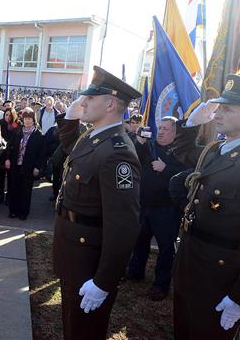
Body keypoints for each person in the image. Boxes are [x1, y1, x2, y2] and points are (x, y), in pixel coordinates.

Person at [169, 74, 240, 339]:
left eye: (227, 109)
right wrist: (191, 123)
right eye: (219, 107)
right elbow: (182, 151)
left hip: (220, 280)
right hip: (190, 265)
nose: (217, 113)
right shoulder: (216, 150)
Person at [53, 66, 142, 340]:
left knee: (85, 331)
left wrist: (104, 281)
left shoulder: (118, 154)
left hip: (89, 262)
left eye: (91, 98)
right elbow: (72, 149)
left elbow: (124, 227)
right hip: (73, 254)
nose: (85, 103)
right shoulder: (94, 138)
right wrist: (69, 116)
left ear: (111, 103)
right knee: (73, 326)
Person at [126, 116, 187, 301]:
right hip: (144, 205)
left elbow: (188, 175)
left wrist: (166, 168)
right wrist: (139, 142)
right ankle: (135, 272)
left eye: (166, 129)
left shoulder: (181, 151)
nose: (160, 131)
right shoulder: (149, 145)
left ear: (175, 132)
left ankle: (161, 285)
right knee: (140, 242)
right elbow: (134, 159)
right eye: (159, 128)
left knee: (166, 248)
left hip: (166, 209)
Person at [5, 108, 45, 220]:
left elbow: (42, 153)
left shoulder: (38, 134)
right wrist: (7, 159)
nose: (27, 121)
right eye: (26, 118)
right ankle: (13, 211)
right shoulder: (17, 131)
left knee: (25, 190)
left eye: (30, 118)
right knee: (14, 188)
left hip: (29, 166)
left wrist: (38, 167)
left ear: (34, 120)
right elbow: (10, 146)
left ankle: (23, 212)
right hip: (15, 164)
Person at [0, 108, 19, 204]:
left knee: (11, 176)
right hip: (1, 153)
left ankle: (9, 196)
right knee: (0, 176)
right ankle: (1, 195)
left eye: (10, 115)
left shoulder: (16, 124)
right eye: (6, 114)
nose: (8, 117)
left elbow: (16, 137)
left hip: (12, 154)